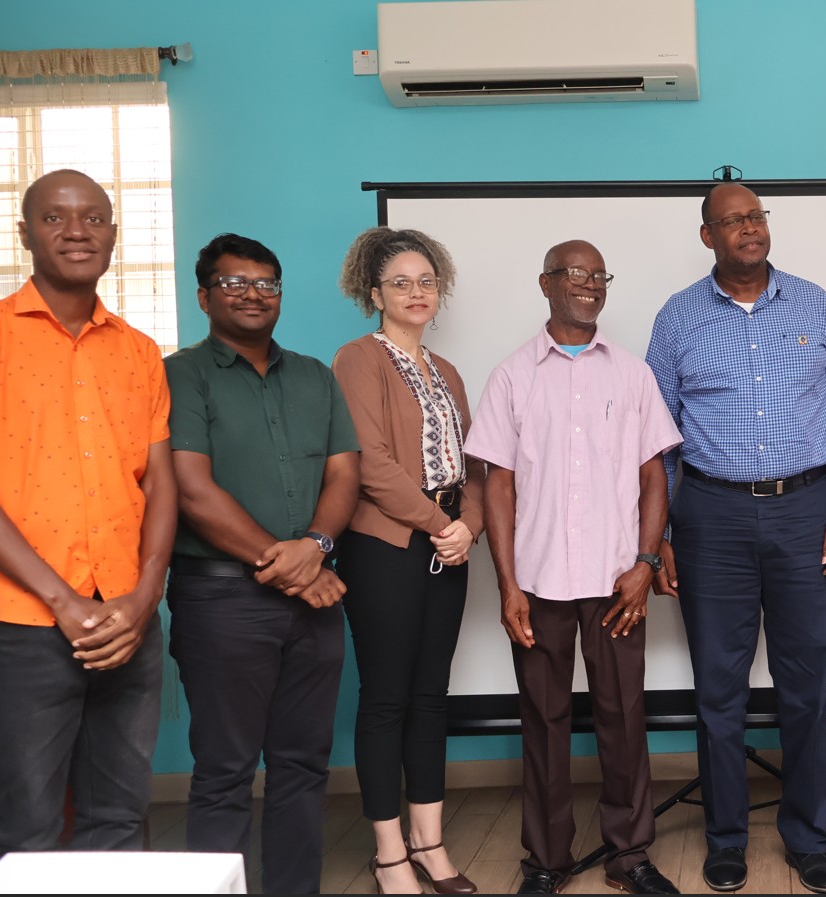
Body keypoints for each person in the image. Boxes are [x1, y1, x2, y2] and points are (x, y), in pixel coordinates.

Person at [645, 182, 826, 895]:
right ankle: (726, 839)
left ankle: (807, 837)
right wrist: (663, 534)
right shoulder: (678, 317)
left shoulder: (814, 304)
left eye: (756, 216)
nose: (749, 228)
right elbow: (659, 440)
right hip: (710, 517)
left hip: (807, 510)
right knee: (719, 690)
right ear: (707, 235)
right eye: (733, 220)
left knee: (805, 688)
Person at [0, 169, 174, 865]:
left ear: (112, 233)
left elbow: (161, 483)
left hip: (127, 621)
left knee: (119, 820)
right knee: (25, 835)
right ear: (25, 234)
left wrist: (144, 596)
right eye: (55, 218)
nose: (77, 230)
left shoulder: (138, 350)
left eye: (93, 217)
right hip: (23, 627)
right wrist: (62, 601)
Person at [470, 240, 682, 896]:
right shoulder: (511, 375)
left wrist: (645, 564)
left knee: (624, 718)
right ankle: (545, 861)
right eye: (576, 274)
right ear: (546, 283)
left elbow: (654, 477)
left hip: (619, 581)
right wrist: (508, 584)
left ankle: (630, 856)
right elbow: (496, 486)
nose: (589, 285)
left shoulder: (631, 373)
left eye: (599, 276)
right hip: (537, 584)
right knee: (544, 720)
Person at [164, 233, 361, 895]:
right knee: (223, 769)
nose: (253, 295)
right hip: (221, 602)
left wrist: (316, 549)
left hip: (314, 599)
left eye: (266, 284)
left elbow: (344, 474)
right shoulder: (179, 374)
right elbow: (191, 488)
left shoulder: (314, 375)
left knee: (303, 766)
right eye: (235, 283)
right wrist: (295, 564)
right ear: (204, 296)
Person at [332, 228, 485, 894]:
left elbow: (474, 465)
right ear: (374, 293)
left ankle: (430, 841)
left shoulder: (446, 371)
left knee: (430, 698)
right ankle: (389, 852)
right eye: (401, 282)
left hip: (448, 544)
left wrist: (467, 526)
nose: (416, 293)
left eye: (426, 281)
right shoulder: (357, 359)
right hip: (385, 545)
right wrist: (439, 523)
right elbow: (371, 464)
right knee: (387, 698)